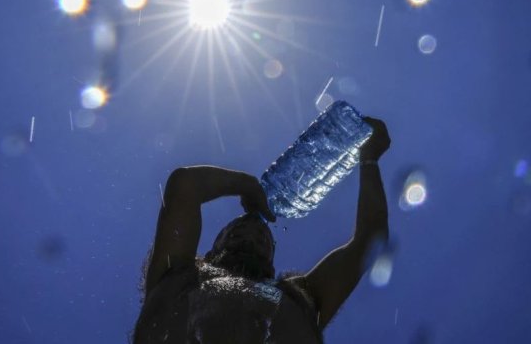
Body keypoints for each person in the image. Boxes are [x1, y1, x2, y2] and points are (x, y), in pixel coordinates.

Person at [132, 117, 391, 343]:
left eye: (261, 238)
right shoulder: (176, 272)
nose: (251, 234)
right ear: (211, 251)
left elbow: (370, 239)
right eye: (236, 232)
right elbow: (185, 185)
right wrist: (246, 185)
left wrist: (369, 160)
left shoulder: (302, 296)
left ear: (272, 261)